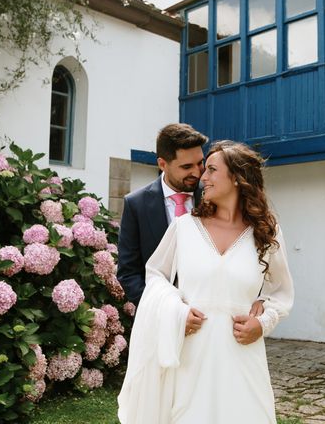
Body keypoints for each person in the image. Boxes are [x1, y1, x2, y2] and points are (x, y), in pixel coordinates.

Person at [118, 140, 294, 424]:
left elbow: (281, 293)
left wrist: (262, 323)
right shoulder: (184, 227)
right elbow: (156, 275)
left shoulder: (266, 233)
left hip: (242, 357)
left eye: (212, 170)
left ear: (237, 178)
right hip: (190, 356)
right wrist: (176, 312)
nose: (203, 177)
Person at [117, 123, 208, 306]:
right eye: (186, 166)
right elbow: (128, 273)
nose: (197, 172)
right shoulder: (136, 204)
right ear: (162, 164)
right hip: (158, 318)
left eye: (200, 163)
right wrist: (164, 310)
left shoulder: (213, 196)